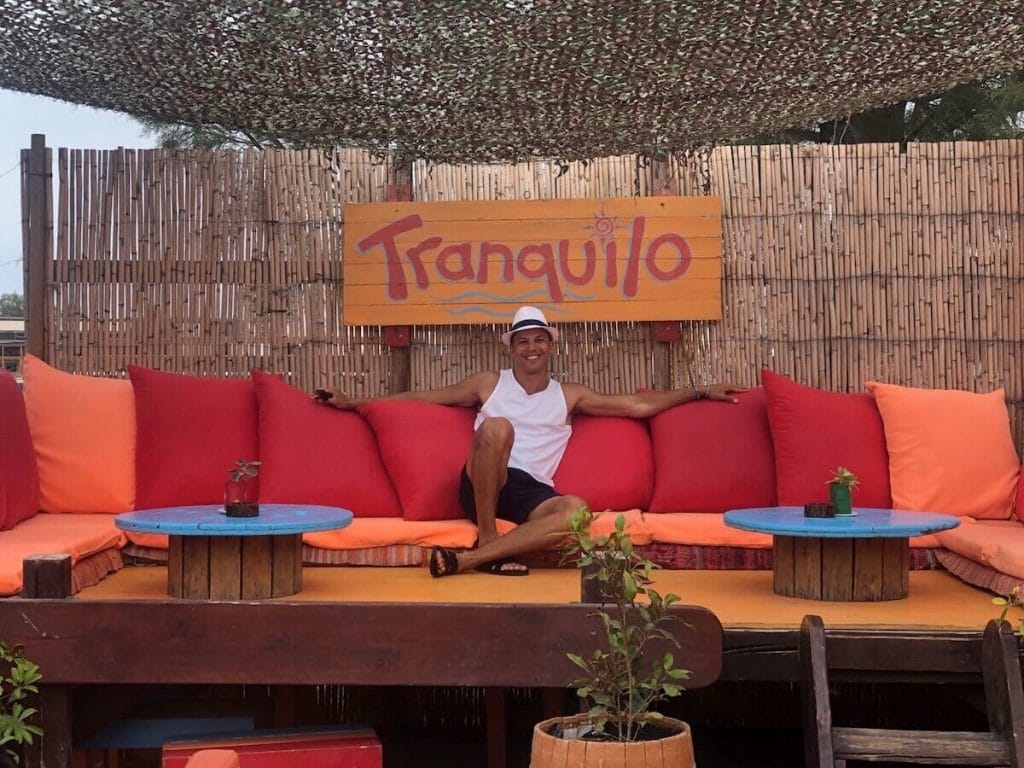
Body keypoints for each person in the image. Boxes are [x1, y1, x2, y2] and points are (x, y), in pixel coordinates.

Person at [316, 306, 744, 577]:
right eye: (524, 341)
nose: (532, 347)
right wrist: (355, 402)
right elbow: (422, 398)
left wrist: (701, 391)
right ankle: (487, 538)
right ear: (513, 350)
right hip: (485, 479)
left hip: (530, 492)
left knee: (576, 509)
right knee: (498, 427)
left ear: (550, 347)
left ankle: (469, 560)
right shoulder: (489, 383)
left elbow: (637, 406)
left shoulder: (569, 394)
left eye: (539, 339)